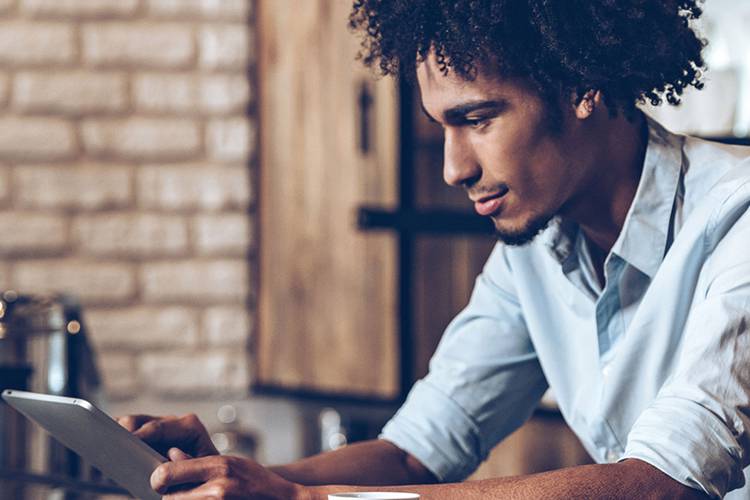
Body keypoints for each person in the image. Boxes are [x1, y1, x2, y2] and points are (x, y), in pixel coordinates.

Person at [118, 1, 750, 498]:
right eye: (442, 126)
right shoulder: (534, 250)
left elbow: (663, 485)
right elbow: (414, 453)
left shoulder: (735, 217)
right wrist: (236, 478)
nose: (453, 169)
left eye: (478, 120)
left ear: (583, 86)